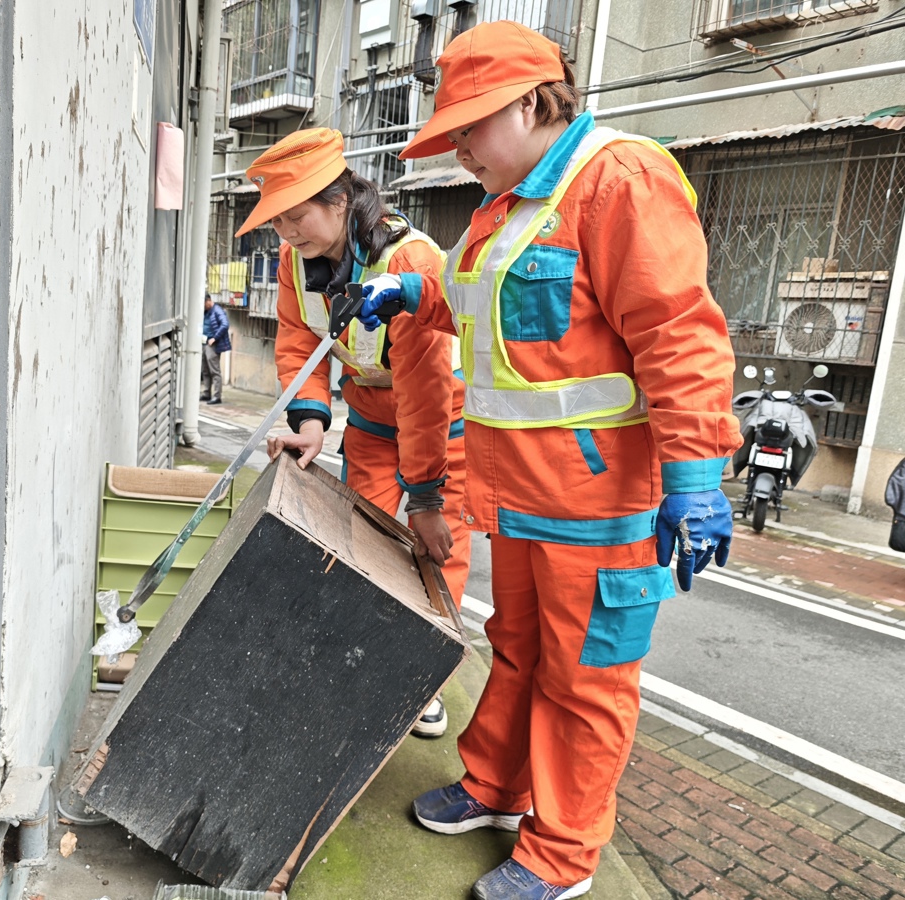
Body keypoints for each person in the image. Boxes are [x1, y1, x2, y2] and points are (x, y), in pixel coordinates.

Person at [356, 21, 742, 900]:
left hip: (604, 503)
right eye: (451, 134)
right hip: (524, 499)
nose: (460, 152)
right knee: (518, 647)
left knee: (587, 682)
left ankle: (561, 858)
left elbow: (679, 334)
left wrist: (693, 475)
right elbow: (475, 305)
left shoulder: (620, 180)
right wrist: (412, 290)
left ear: (533, 100)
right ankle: (497, 787)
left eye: (470, 128)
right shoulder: (508, 209)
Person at [234, 127, 471, 738]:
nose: (286, 236)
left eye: (295, 218)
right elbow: (297, 340)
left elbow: (424, 391)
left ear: (339, 201)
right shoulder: (294, 260)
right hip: (368, 414)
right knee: (363, 538)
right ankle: (366, 653)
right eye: (277, 224)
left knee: (436, 551)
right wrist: (311, 421)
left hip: (442, 424)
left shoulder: (406, 261)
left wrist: (425, 497)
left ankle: (423, 682)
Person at [201, 292, 230, 405]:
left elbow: (225, 324)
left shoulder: (217, 310)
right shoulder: (205, 311)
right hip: (203, 343)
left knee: (214, 371)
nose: (203, 306)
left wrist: (215, 338)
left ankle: (217, 396)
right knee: (205, 370)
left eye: (204, 303)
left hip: (212, 345)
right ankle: (206, 393)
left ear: (208, 301)